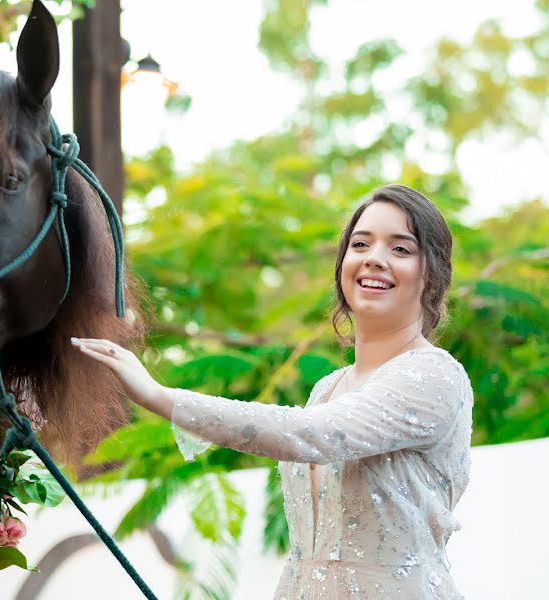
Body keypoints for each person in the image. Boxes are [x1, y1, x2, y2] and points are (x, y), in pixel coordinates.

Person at [71, 184, 473, 599]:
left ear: (433, 276)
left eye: (401, 249)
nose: (374, 259)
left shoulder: (434, 375)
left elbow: (314, 434)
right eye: (360, 244)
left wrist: (160, 397)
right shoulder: (327, 388)